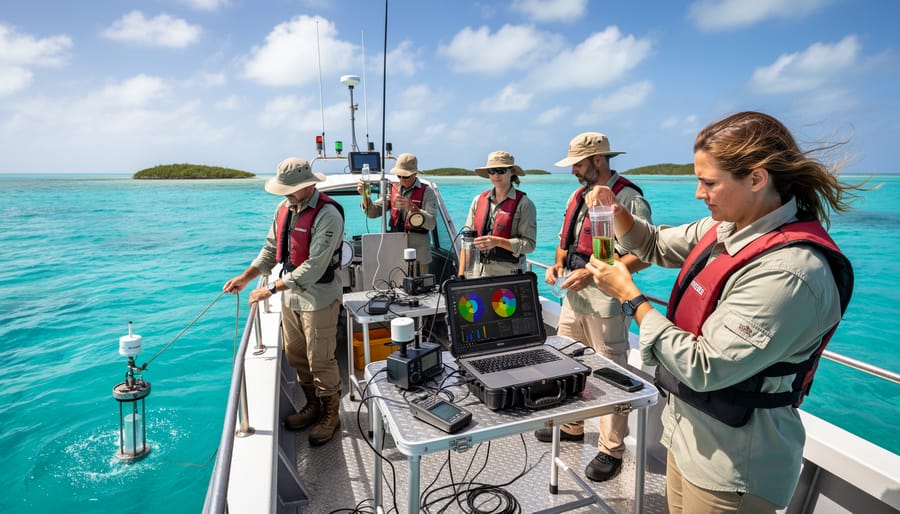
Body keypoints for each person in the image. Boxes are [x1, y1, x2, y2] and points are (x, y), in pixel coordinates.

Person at [584, 111, 856, 513]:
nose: (698, 193)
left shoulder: (791, 272)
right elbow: (656, 243)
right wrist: (616, 210)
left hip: (731, 465)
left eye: (709, 182)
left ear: (757, 179)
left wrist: (630, 297)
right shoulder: (727, 228)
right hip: (687, 436)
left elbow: (704, 365)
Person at [534, 132, 652, 483]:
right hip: (573, 297)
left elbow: (645, 253)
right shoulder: (578, 195)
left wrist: (594, 272)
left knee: (612, 372)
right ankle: (571, 426)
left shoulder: (628, 199)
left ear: (598, 161)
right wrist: (558, 266)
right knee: (568, 362)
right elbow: (565, 242)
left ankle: (611, 449)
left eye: (578, 164)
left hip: (606, 302)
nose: (573, 171)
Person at [223, 157, 346, 446]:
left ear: (309, 185)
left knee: (321, 359)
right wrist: (246, 277)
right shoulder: (284, 209)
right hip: (291, 296)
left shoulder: (329, 215)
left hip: (319, 298)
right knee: (295, 354)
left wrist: (270, 289)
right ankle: (312, 404)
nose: (285, 195)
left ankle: (331, 414)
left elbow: (315, 265)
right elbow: (270, 250)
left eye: (290, 190)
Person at [459, 150, 537, 277]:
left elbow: (529, 245)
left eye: (501, 170)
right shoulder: (478, 201)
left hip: (509, 273)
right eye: (492, 171)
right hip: (478, 273)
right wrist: (461, 275)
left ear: (511, 172)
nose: (496, 175)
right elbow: (467, 242)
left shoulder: (525, 204)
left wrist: (498, 242)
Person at [357, 152, 437, 274]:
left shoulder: (427, 192)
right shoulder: (393, 190)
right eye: (399, 176)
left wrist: (413, 208)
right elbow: (372, 212)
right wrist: (365, 195)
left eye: (405, 176)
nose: (401, 179)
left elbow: (431, 223)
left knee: (420, 288)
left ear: (415, 173)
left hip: (419, 254)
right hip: (395, 250)